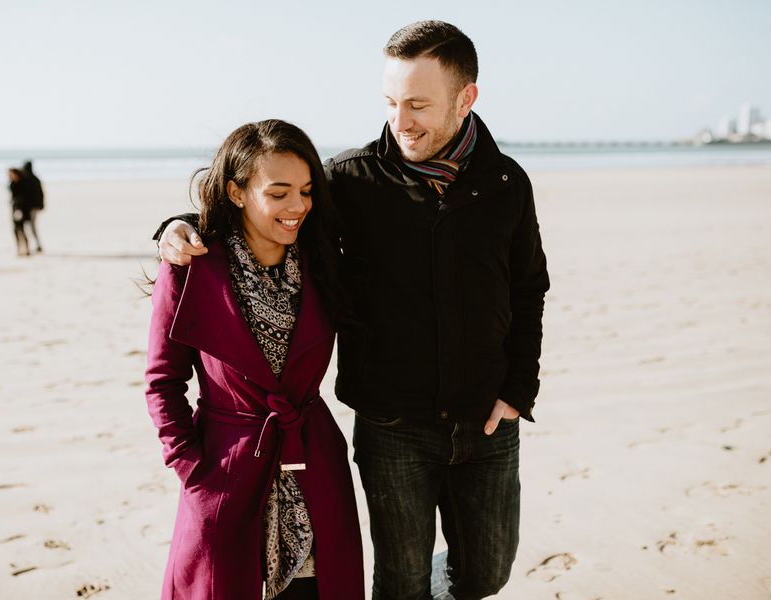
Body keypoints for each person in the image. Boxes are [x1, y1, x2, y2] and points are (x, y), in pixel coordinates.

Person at [155, 21, 550, 600]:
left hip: (487, 420)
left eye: (418, 104)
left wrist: (519, 388)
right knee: (399, 582)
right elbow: (267, 206)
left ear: (465, 98)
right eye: (391, 102)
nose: (401, 119)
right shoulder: (350, 180)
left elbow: (528, 290)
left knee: (486, 572)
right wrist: (173, 228)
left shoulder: (506, 183)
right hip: (392, 426)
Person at [145, 119, 364, 600]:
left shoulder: (323, 260)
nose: (297, 207)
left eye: (306, 191)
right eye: (279, 192)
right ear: (237, 192)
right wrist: (189, 467)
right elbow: (162, 382)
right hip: (225, 470)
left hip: (315, 464)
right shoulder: (191, 269)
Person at [7, 167, 32, 256]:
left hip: (22, 209)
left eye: (12, 174)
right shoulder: (12, 184)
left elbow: (25, 198)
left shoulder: (23, 184)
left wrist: (20, 209)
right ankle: (19, 248)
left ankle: (27, 249)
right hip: (15, 208)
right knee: (15, 230)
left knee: (22, 229)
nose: (10, 176)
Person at [20, 160, 44, 253]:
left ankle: (35, 245)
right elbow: (41, 194)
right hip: (34, 207)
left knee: (31, 227)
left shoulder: (27, 179)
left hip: (29, 207)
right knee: (31, 226)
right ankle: (34, 244)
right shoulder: (35, 179)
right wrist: (41, 205)